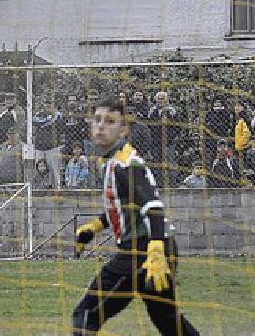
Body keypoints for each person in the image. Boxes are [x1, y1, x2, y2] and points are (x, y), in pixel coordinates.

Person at [71, 96, 198, 335]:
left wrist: (156, 248)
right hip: (153, 246)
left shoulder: (124, 163)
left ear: (124, 129)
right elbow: (125, 207)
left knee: (86, 314)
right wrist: (95, 227)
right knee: (168, 320)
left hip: (144, 250)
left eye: (110, 121)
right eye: (97, 119)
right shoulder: (111, 161)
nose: (101, 126)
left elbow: (152, 205)